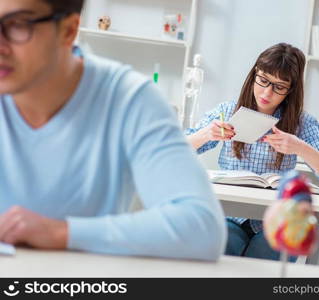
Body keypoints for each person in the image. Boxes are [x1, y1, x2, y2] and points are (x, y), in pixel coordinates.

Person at [0, 0, 226, 261]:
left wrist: (63, 232)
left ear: (68, 30)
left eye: (17, 25)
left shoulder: (129, 99)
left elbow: (201, 228)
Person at [186, 43, 319, 261]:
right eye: (263, 80)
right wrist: (206, 134)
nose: (267, 92)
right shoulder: (227, 111)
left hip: (276, 221)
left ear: (291, 90)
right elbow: (176, 150)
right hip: (229, 216)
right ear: (254, 75)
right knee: (218, 248)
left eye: (279, 86)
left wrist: (300, 147)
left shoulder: (302, 123)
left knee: (264, 260)